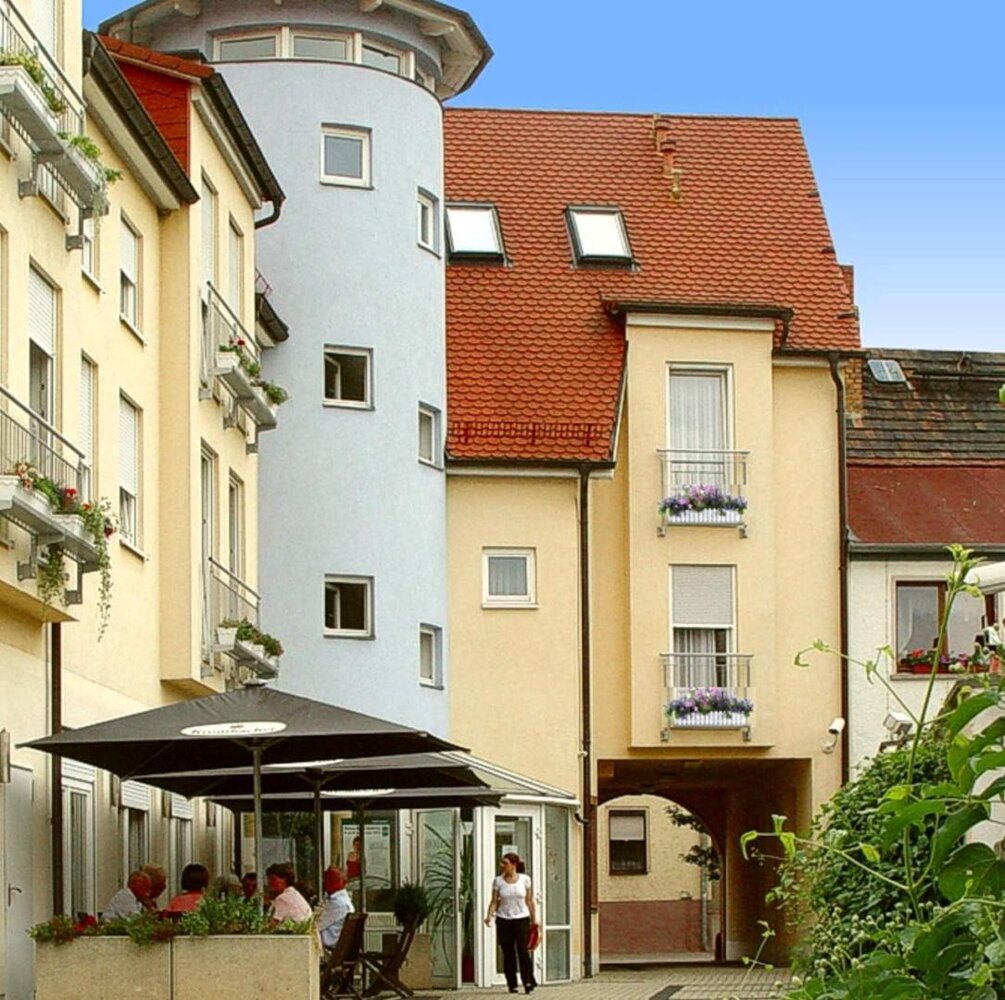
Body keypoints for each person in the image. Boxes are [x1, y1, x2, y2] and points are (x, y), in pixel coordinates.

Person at [484, 852, 537, 995]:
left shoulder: (525, 879)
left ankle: (528, 981)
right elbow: (494, 901)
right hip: (503, 919)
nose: (502, 866)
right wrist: (489, 916)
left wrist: (534, 919)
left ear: (514, 865)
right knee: (508, 953)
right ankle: (512, 984)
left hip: (521, 918)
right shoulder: (498, 881)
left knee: (523, 951)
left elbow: (529, 900)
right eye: (502, 863)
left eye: (505, 863)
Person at [317, 866, 355, 949]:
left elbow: (316, 926)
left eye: (332, 880)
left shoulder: (338, 903)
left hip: (328, 948)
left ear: (343, 882)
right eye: (326, 879)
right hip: (335, 947)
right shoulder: (343, 900)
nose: (327, 883)